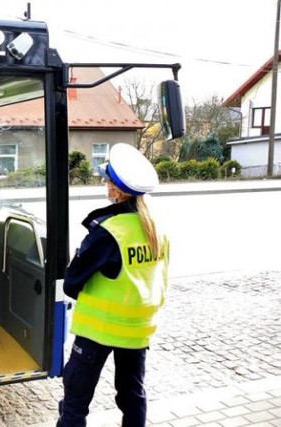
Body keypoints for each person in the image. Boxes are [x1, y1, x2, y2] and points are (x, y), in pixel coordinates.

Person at [57, 143, 169, 427]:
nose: (105, 185)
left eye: (107, 181)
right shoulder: (156, 227)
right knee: (132, 396)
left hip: (100, 329)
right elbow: (160, 278)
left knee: (75, 401)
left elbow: (72, 283)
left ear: (117, 191)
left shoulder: (108, 232)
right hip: (138, 331)